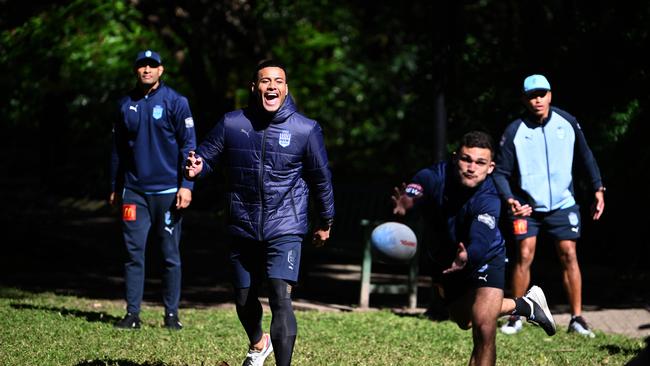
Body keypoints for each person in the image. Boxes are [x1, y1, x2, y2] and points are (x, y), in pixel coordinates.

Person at [185, 60, 335, 366]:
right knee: (243, 298)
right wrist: (197, 167)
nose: (272, 86)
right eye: (265, 81)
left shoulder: (305, 129)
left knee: (281, 297)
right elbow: (206, 157)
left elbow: (321, 179)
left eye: (278, 81)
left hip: (286, 225)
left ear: (286, 88)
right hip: (242, 223)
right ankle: (258, 342)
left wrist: (326, 220)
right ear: (255, 88)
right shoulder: (232, 123)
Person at [392, 131, 556, 366]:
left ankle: (514, 308)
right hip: (444, 261)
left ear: (490, 167)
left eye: (480, 163)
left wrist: (469, 255)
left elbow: (481, 238)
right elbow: (415, 189)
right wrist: (408, 203)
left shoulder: (489, 197)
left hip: (485, 257)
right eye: (466, 159)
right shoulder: (433, 176)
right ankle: (525, 305)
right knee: (464, 320)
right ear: (455, 157)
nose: (471, 167)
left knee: (484, 328)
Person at [494, 74, 605, 338]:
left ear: (550, 95)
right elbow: (499, 172)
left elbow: (586, 155)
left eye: (542, 94)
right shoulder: (514, 131)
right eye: (532, 95)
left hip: (563, 203)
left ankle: (577, 318)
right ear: (524, 99)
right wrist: (511, 199)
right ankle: (518, 315)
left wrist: (598, 188)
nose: (538, 100)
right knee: (524, 254)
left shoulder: (567, 122)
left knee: (569, 254)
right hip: (528, 207)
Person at [110, 49, 197, 330]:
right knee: (133, 253)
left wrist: (187, 186)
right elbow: (118, 150)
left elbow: (189, 147)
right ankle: (132, 314)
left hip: (168, 191)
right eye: (142, 66)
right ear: (136, 71)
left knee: (170, 255)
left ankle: (171, 315)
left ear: (161, 70)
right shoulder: (125, 104)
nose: (147, 70)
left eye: (152, 65)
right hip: (134, 192)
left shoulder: (176, 102)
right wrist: (115, 186)